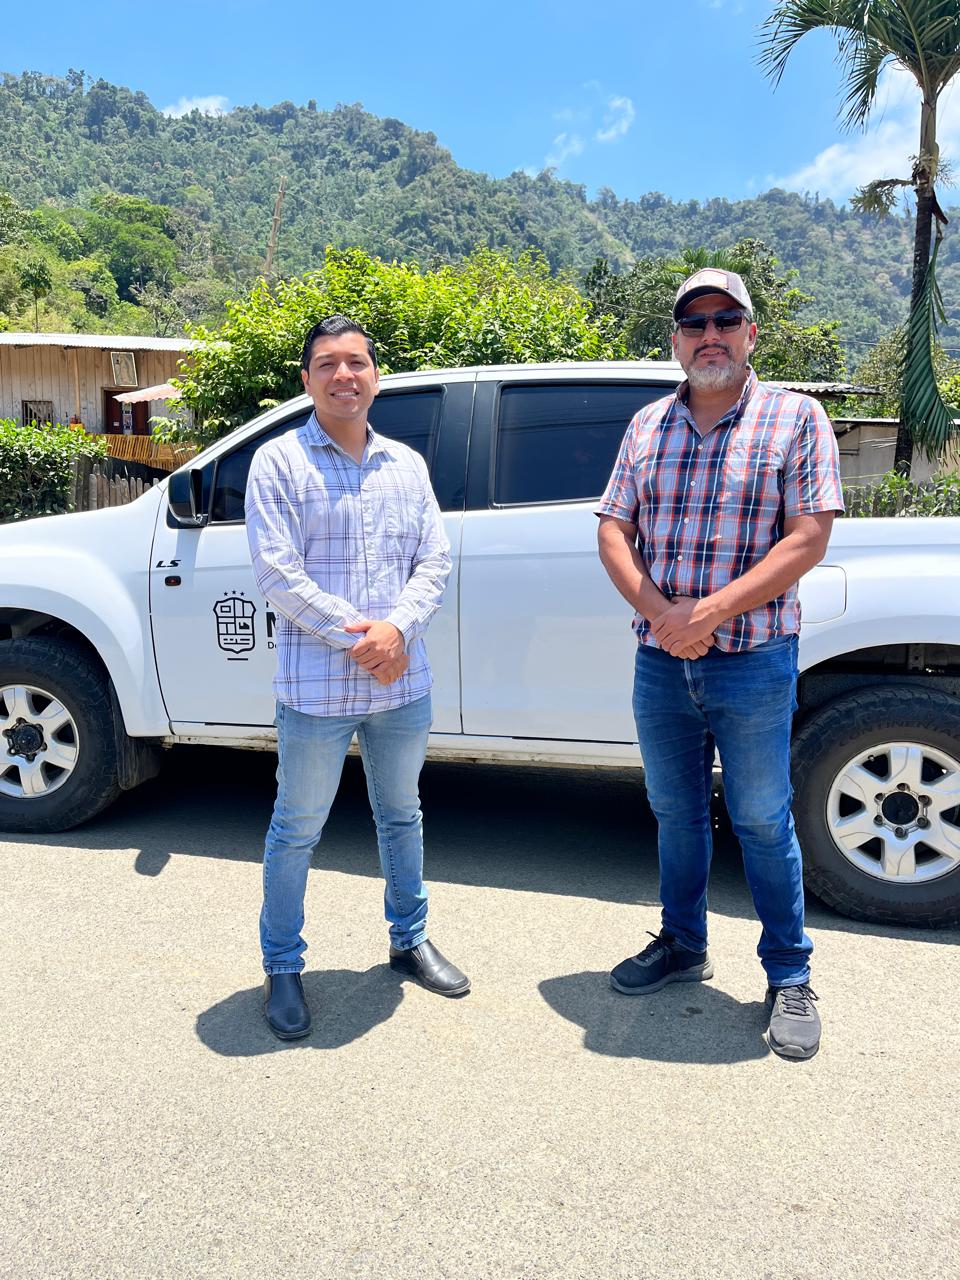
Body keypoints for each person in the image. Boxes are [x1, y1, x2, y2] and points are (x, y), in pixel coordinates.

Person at [595, 268, 844, 1060]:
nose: (711, 334)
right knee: (675, 813)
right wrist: (663, 615)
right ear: (675, 341)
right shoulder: (646, 426)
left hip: (754, 658)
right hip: (660, 660)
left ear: (750, 334)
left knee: (763, 818)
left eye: (726, 319)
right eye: (694, 323)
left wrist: (707, 612)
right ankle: (682, 943)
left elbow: (808, 536)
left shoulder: (795, 418)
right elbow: (613, 530)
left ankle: (789, 974)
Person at [246, 315, 469, 1040]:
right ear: (307, 379)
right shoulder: (278, 462)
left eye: (357, 362)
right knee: (297, 829)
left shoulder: (406, 464)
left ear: (376, 376)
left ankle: (410, 939)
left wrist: (397, 630)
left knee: (402, 815)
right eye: (327, 364)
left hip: (402, 684)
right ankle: (283, 965)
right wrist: (367, 638)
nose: (344, 375)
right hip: (316, 690)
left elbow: (434, 560)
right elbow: (277, 573)